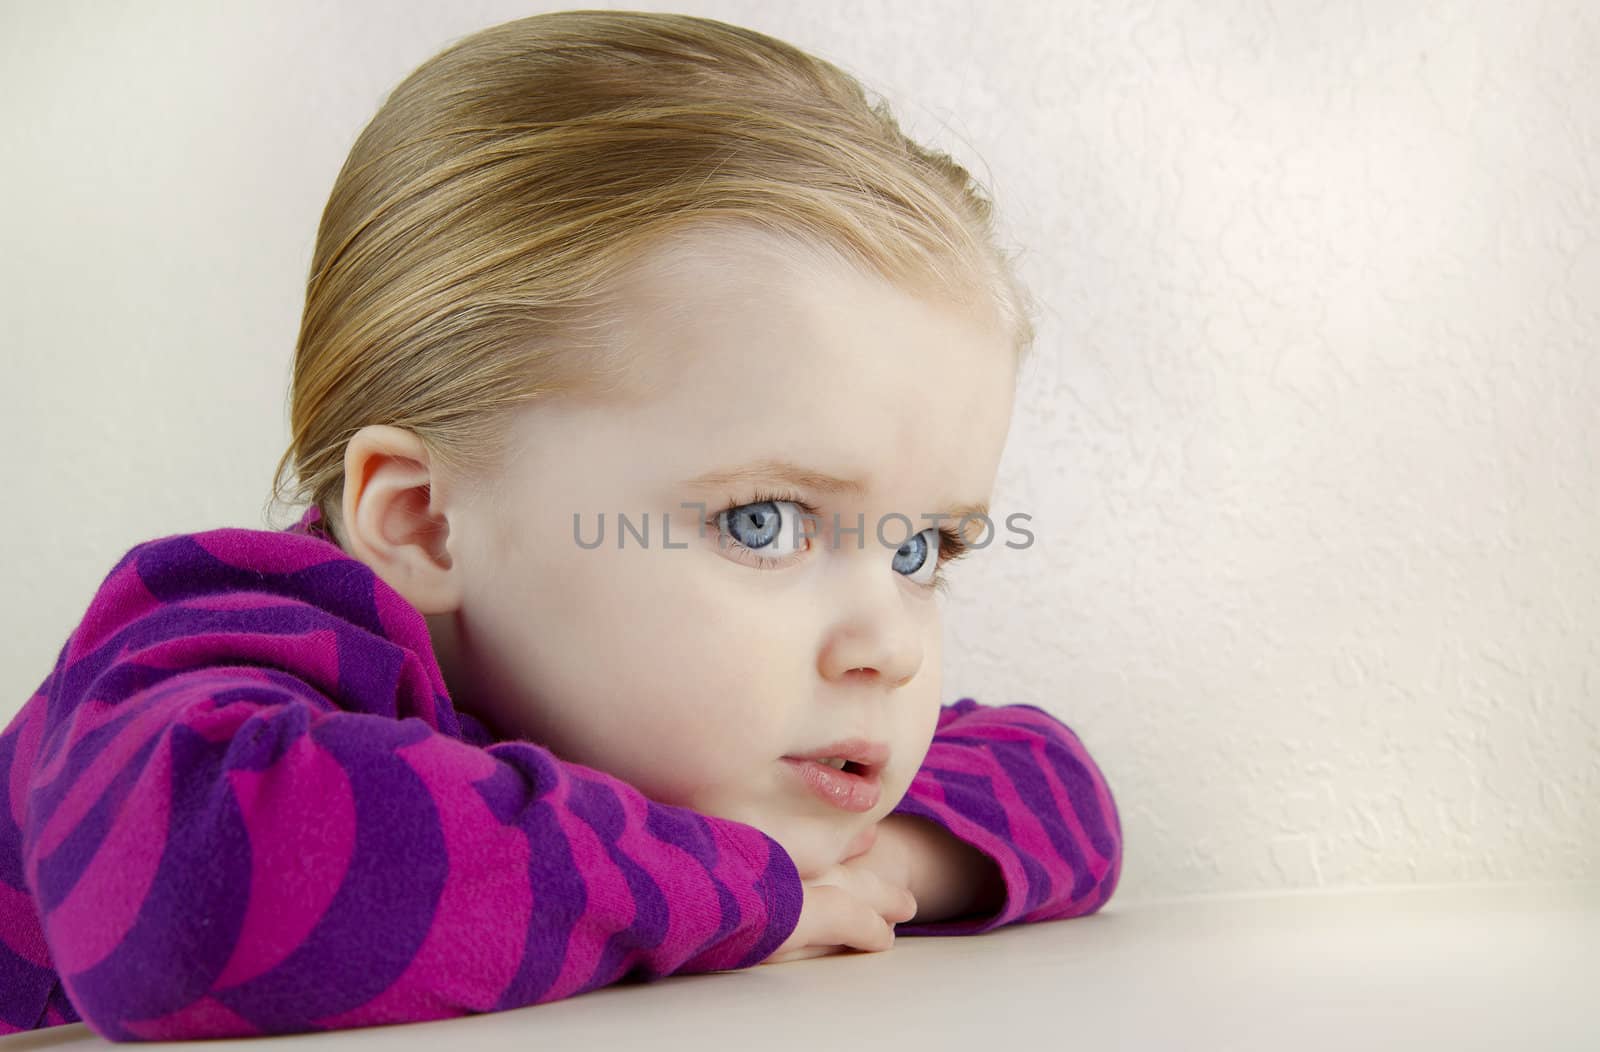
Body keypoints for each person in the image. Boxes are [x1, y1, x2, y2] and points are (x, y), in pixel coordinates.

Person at [0, 9, 1122, 1040]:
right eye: (768, 521)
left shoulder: (682, 731)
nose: (889, 644)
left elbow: (1057, 786)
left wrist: (873, 860)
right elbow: (199, 898)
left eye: (921, 548)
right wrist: (755, 882)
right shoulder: (211, 652)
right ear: (431, 521)